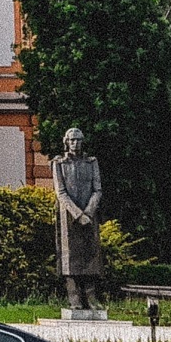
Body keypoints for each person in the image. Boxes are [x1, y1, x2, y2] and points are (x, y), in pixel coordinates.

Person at [51, 127, 105, 308]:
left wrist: (88, 212)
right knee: (70, 257)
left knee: (90, 255)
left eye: (78, 140)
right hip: (69, 216)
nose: (75, 143)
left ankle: (91, 297)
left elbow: (97, 189)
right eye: (71, 140)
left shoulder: (91, 162)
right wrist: (77, 213)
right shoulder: (59, 164)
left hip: (89, 215)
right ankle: (74, 298)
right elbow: (61, 192)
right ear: (66, 142)